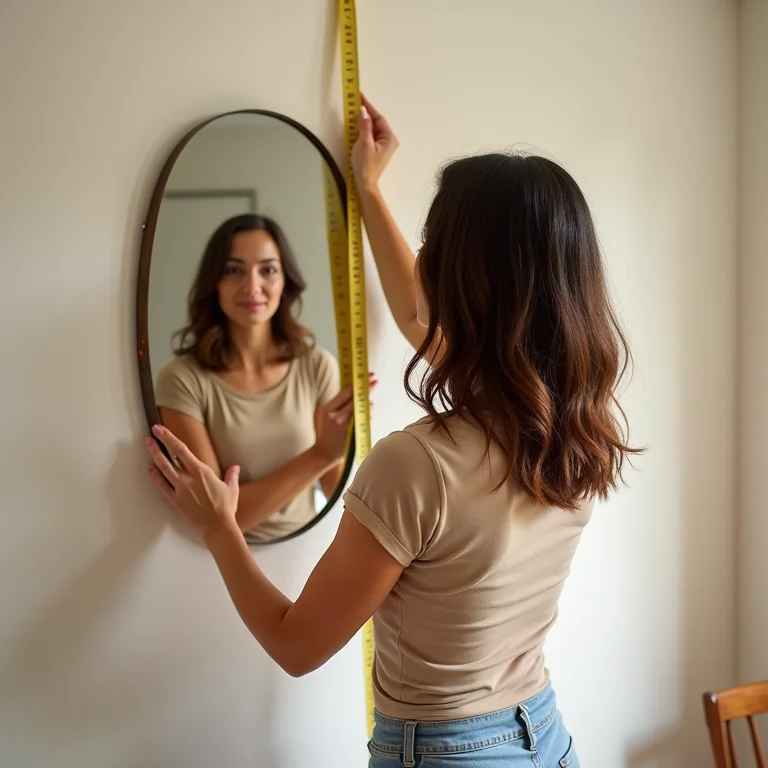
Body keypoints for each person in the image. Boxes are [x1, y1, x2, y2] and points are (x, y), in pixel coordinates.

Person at [146, 96, 638, 766]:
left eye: (434, 243)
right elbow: (416, 317)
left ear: (465, 278)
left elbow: (296, 646)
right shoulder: (576, 422)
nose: (424, 258)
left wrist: (218, 529)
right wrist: (369, 191)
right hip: (545, 734)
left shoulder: (416, 464)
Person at [154, 213, 375, 541]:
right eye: (234, 270)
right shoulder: (182, 380)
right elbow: (217, 517)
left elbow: (339, 495)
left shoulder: (317, 366)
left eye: (268, 270)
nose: (252, 286)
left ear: (285, 280)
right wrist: (322, 453)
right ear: (214, 282)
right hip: (216, 559)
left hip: (306, 551)